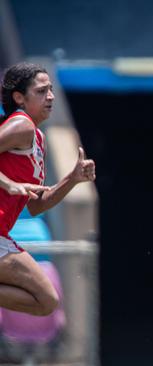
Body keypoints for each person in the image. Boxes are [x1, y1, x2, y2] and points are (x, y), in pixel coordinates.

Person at [0, 62, 96, 316]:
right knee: (46, 300)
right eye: (41, 91)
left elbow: (36, 205)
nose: (50, 96)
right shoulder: (22, 125)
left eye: (51, 90)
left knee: (47, 302)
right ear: (19, 97)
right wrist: (7, 183)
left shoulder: (35, 137)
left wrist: (72, 179)